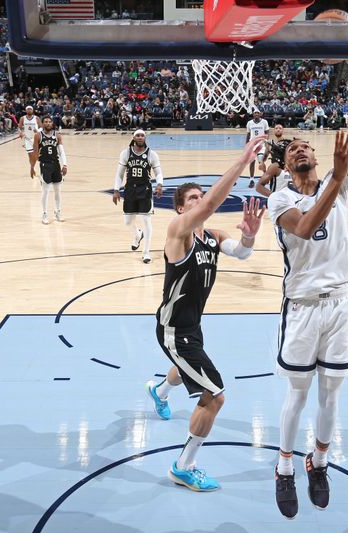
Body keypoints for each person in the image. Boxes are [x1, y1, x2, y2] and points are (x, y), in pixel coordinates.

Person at [267, 59, 348, 520]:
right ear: (287, 166)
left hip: (339, 303)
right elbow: (307, 228)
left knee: (332, 394)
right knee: (299, 394)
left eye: (307, 145)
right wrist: (336, 174)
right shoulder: (282, 198)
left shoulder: (336, 181)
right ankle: (284, 467)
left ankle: (319, 461)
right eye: (294, 150)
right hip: (303, 306)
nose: (302, 149)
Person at [144, 136, 267, 492]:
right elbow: (215, 200)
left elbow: (241, 253)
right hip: (172, 329)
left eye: (201, 197)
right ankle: (184, 466)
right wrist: (243, 160)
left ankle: (159, 391)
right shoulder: (176, 233)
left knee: (187, 370)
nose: (200, 202)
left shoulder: (211, 236)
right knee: (214, 396)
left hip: (191, 326)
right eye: (193, 199)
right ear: (181, 209)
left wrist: (250, 238)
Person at [112, 129, 164, 264]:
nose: (140, 137)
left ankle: (146, 252)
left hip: (145, 190)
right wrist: (116, 189)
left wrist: (159, 184)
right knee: (127, 222)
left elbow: (158, 172)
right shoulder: (126, 153)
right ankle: (137, 235)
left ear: (145, 138)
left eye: (142, 135)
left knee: (146, 222)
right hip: (130, 190)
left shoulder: (152, 154)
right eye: (138, 135)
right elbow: (119, 174)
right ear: (134, 138)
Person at [29, 117, 67, 224]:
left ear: (52, 123)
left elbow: (61, 152)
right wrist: (32, 167)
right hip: (45, 165)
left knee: (58, 191)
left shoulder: (57, 135)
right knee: (45, 191)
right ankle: (44, 213)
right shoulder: (38, 136)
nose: (48, 123)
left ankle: (57, 212)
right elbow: (35, 154)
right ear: (43, 124)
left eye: (50, 122)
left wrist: (65, 165)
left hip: (56, 164)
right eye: (46, 122)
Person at [245, 111, 269, 188]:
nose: (256, 114)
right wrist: (246, 145)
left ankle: (266, 177)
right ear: (253, 114)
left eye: (258, 113)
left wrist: (266, 142)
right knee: (252, 162)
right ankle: (251, 180)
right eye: (255, 113)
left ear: (260, 114)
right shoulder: (249, 123)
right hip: (252, 145)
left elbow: (267, 133)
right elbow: (248, 134)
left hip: (261, 145)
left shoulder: (264, 122)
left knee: (261, 162)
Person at [19, 106, 40, 173]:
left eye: (30, 109)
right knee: (30, 155)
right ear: (26, 110)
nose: (29, 110)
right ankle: (32, 168)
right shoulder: (22, 118)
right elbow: (19, 127)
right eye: (28, 109)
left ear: (32, 110)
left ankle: (33, 166)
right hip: (27, 139)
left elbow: (42, 127)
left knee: (35, 155)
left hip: (35, 139)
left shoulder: (36, 118)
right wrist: (21, 132)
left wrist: (38, 130)